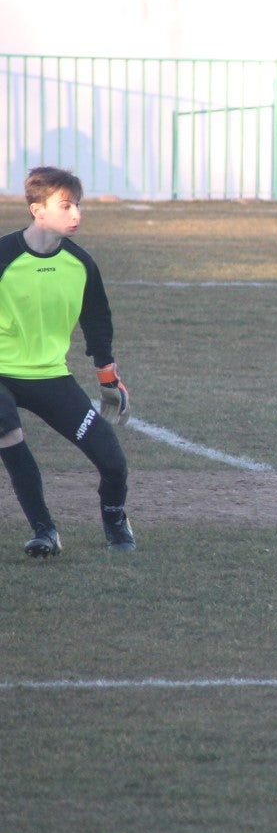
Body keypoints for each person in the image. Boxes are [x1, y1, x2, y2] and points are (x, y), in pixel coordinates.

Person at [0, 166, 136, 557]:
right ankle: (45, 532)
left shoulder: (80, 264)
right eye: (65, 205)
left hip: (50, 376)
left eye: (77, 205)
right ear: (36, 209)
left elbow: (97, 321)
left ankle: (115, 521)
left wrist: (109, 379)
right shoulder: (3, 257)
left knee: (112, 461)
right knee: (6, 426)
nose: (76, 214)